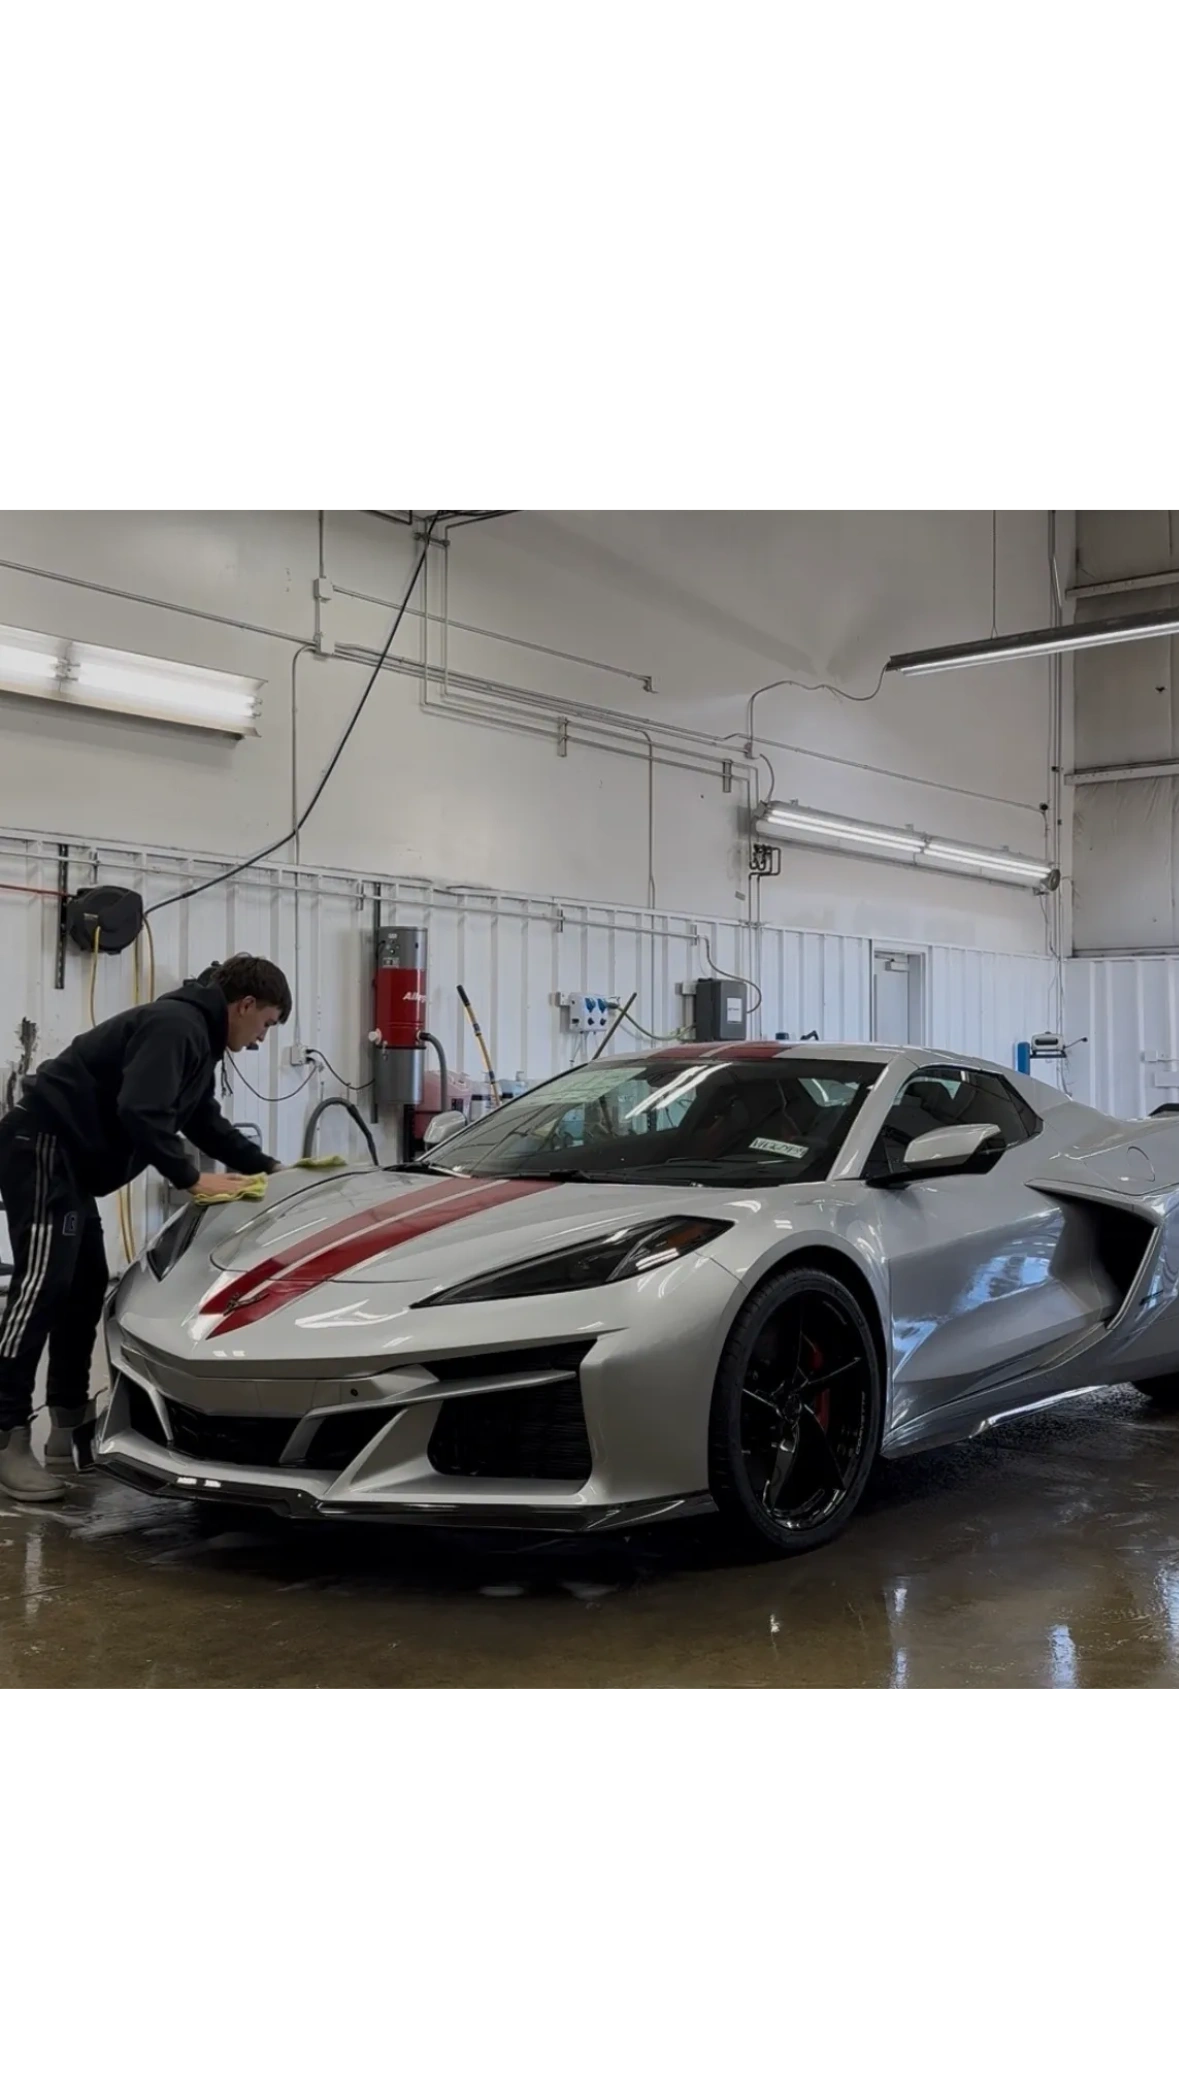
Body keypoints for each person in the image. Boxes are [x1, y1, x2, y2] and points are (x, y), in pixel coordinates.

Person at [0, 952, 292, 1502]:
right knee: (40, 1290)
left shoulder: (197, 1042)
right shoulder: (175, 1025)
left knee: (84, 1290)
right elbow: (141, 1109)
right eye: (267, 1024)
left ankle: (67, 1425)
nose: (261, 1039)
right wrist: (189, 1177)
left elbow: (202, 1120)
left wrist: (270, 1168)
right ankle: (5, 1435)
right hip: (41, 1147)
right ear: (246, 1004)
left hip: (72, 1166)